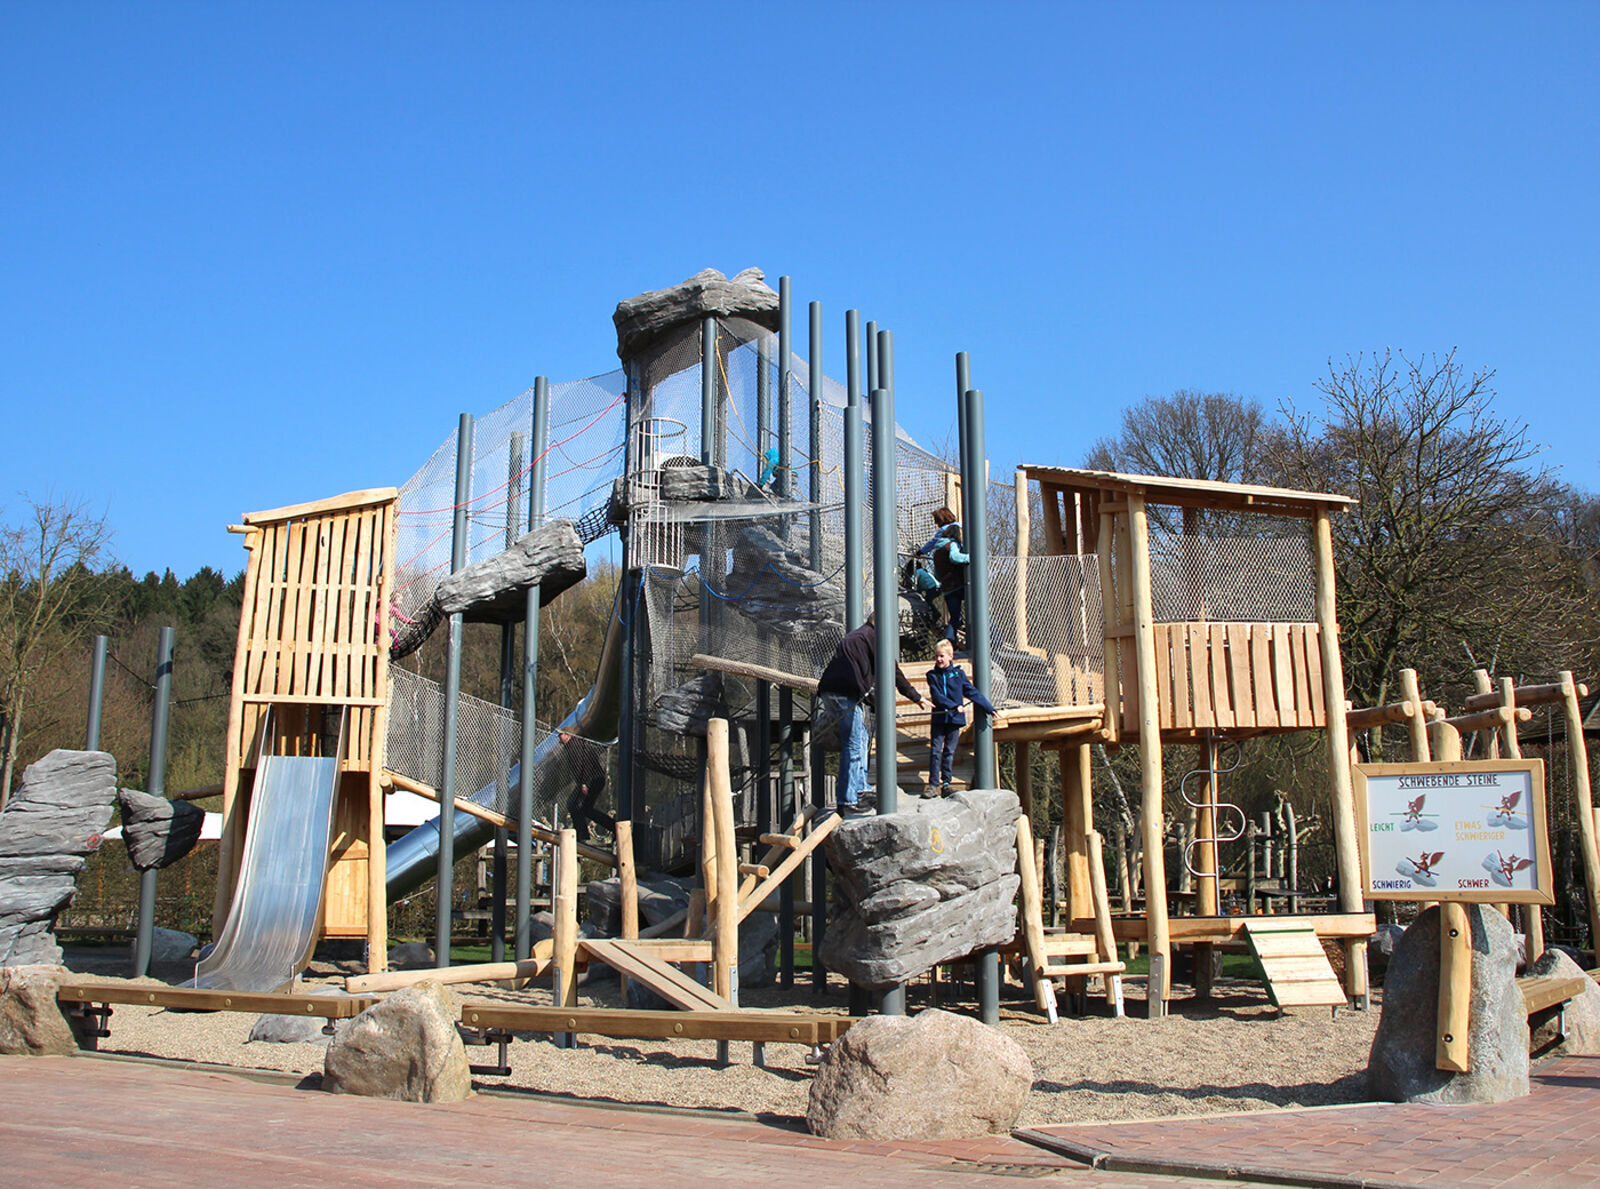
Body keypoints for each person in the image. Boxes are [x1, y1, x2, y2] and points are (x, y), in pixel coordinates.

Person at [816, 611, 923, 813]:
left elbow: (864, 673)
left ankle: (861, 788)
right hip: (845, 693)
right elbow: (892, 670)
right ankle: (849, 799)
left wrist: (873, 701)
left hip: (831, 690)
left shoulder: (857, 636)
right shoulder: (872, 636)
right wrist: (914, 695)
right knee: (854, 743)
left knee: (861, 737)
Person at [924, 638, 996, 797]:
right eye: (936, 656)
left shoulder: (958, 674)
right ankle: (933, 785)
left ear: (951, 657)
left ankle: (947, 783)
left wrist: (988, 707)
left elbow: (972, 692)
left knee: (949, 751)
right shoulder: (932, 675)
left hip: (954, 720)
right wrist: (953, 706)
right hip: (939, 718)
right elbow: (937, 697)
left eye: (942, 656)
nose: (939, 659)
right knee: (936, 751)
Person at [916, 507, 968, 645]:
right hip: (960, 582)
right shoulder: (953, 540)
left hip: (947, 586)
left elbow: (933, 543)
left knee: (954, 616)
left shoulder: (940, 545)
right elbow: (955, 556)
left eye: (936, 520)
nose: (935, 523)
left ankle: (950, 642)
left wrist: (921, 551)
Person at [558, 729, 614, 843]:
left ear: (567, 735)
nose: (559, 737)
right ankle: (584, 834)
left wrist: (584, 783)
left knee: (575, 804)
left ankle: (584, 834)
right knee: (581, 807)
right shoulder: (576, 745)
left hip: (592, 779)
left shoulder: (575, 747)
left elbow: (582, 767)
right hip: (594, 779)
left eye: (561, 734)